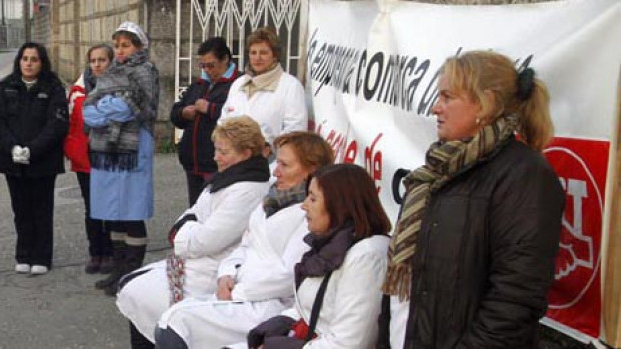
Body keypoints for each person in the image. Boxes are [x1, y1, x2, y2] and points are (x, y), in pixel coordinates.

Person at [382, 50, 564, 348]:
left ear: (485, 103)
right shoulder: (437, 170)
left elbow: (516, 298)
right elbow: (407, 282)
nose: (435, 108)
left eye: (447, 97)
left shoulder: (525, 176)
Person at [152, 131, 334, 349]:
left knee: (174, 325)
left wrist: (238, 291)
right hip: (236, 289)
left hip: (267, 302)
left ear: (311, 170)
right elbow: (245, 244)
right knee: (164, 317)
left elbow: (289, 275)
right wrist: (226, 274)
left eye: (285, 165)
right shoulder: (270, 199)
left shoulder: (309, 215)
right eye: (277, 163)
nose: (276, 171)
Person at [117, 116, 271, 349]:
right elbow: (192, 214)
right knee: (135, 291)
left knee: (141, 295)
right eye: (216, 150)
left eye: (223, 152)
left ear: (246, 154)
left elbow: (205, 241)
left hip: (211, 268)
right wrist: (190, 225)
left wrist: (186, 228)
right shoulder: (229, 178)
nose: (215, 157)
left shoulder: (248, 190)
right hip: (198, 260)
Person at [242, 164, 392, 349]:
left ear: (339, 205)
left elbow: (349, 343)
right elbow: (309, 310)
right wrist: (283, 323)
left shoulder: (368, 257)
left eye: (313, 199)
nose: (304, 206)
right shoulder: (331, 243)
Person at [85, 21, 160, 294]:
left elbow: (135, 109)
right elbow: (87, 110)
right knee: (113, 213)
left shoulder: (145, 71)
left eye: (126, 45)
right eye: (117, 45)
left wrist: (105, 107)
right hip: (108, 150)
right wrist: (109, 106)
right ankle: (118, 269)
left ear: (139, 47)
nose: (120, 50)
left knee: (131, 211)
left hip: (134, 149)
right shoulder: (109, 73)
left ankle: (131, 273)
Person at [0, 43, 69, 276]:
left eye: (34, 59)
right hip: (13, 161)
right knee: (21, 210)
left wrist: (32, 150)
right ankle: (24, 255)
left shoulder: (53, 88)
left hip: (43, 161)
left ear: (42, 62)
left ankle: (42, 256)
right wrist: (12, 146)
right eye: (25, 58)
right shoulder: (6, 87)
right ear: (19, 61)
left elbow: (57, 124)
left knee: (42, 210)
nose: (29, 63)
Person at [170, 37, 240, 205]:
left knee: (216, 210)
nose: (207, 70)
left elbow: (239, 117)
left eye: (211, 65)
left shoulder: (238, 84)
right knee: (195, 210)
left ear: (225, 59)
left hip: (218, 162)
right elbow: (175, 112)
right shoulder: (200, 84)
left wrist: (211, 109)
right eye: (203, 66)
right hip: (193, 162)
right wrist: (183, 113)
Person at [65, 43, 114, 274]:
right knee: (91, 208)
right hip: (84, 158)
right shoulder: (78, 90)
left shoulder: (118, 87)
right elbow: (72, 124)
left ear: (110, 62)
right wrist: (72, 150)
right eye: (93, 60)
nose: (97, 64)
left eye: (102, 60)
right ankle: (96, 252)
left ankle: (111, 252)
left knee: (111, 208)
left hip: (110, 157)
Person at [219, 27, 307, 146]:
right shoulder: (238, 84)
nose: (257, 58)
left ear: (275, 55)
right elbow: (224, 122)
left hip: (270, 162)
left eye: (264, 52)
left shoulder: (291, 86)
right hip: (235, 159)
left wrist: (269, 149)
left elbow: (295, 130)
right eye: (253, 52)